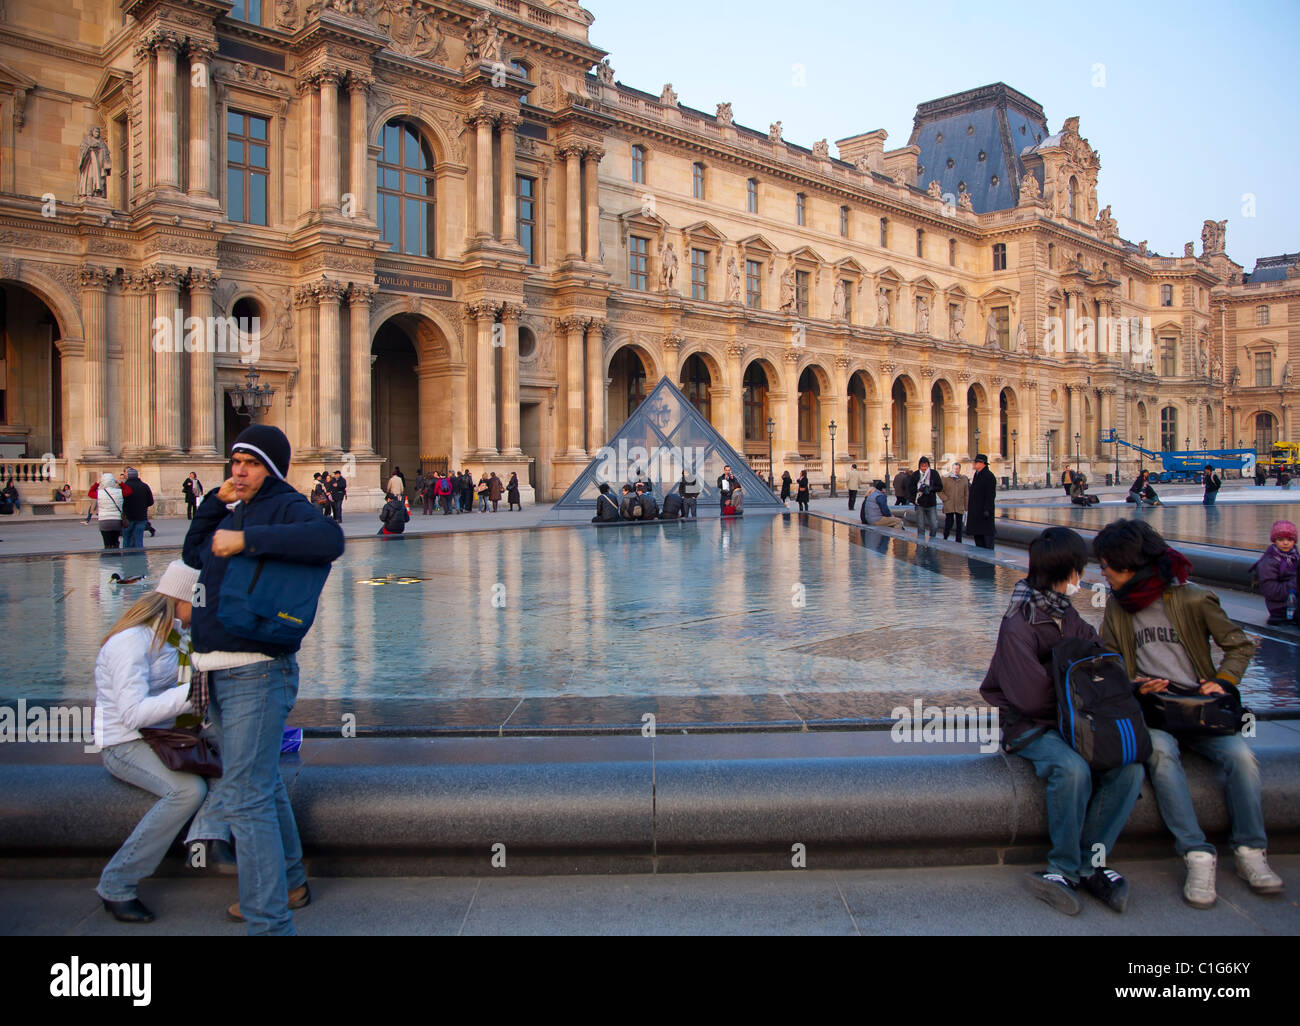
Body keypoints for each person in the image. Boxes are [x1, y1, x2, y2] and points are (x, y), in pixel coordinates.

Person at [182, 425, 345, 935]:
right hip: (219, 668)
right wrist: (214, 504)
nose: (238, 471)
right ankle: (290, 884)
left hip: (257, 669)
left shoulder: (285, 506)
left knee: (246, 795)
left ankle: (268, 922)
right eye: (234, 462)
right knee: (262, 784)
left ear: (271, 467)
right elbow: (193, 555)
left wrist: (247, 539)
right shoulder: (235, 510)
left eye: (249, 463)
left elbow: (330, 538)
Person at [1094, 519, 1280, 909]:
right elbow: (1111, 660)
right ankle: (1196, 853)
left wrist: (1224, 680)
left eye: (1108, 564)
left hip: (1201, 709)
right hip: (1156, 713)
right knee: (1160, 753)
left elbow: (1239, 646)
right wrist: (1135, 683)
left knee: (1242, 759)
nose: (1103, 572)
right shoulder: (1116, 606)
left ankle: (1251, 850)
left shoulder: (1193, 598)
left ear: (1131, 565)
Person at [981, 527, 1144, 915]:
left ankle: (1092, 861)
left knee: (1130, 769)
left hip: (1075, 720)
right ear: (1068, 571)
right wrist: (1085, 702)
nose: (1084, 577)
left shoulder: (1064, 612)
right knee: (1072, 769)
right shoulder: (1019, 622)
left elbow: (1098, 656)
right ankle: (1062, 867)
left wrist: (1129, 684)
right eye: (1081, 569)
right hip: (1031, 726)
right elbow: (1030, 698)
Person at [93, 560, 213, 923]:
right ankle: (117, 884)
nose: (203, 615)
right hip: (124, 743)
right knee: (188, 791)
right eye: (200, 604)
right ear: (181, 600)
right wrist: (194, 693)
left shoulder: (174, 635)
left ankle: (215, 843)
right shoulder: (130, 642)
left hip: (161, 736)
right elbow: (132, 714)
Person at [1254, 520, 1298, 627]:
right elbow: (1272, 592)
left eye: (1290, 539)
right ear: (1274, 540)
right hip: (1281, 610)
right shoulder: (1268, 563)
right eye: (1281, 539)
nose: (1286, 543)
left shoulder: (1295, 556)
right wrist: (1296, 583)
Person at [966, 453, 997, 550]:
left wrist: (987, 509)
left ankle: (988, 562)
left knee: (987, 540)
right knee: (978, 539)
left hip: (984, 513)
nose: (974, 464)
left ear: (982, 463)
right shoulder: (977, 474)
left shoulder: (989, 476)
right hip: (976, 513)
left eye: (976, 462)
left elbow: (990, 495)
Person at [910, 457, 943, 540]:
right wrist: (919, 489)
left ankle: (932, 540)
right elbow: (910, 488)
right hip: (919, 503)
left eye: (926, 466)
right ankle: (921, 544)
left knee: (934, 525)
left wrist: (931, 488)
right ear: (919, 466)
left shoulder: (934, 473)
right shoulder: (915, 475)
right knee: (921, 527)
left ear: (928, 465)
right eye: (922, 466)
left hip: (931, 503)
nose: (924, 468)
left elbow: (940, 487)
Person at [120, 468, 154, 549]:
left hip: (128, 516)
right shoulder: (145, 486)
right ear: (137, 475)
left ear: (127, 476)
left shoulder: (124, 487)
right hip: (141, 516)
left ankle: (127, 557)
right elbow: (151, 502)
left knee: (127, 539)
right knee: (138, 539)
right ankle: (139, 557)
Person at [91, 471, 127, 549]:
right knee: (115, 541)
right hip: (116, 520)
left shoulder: (99, 493)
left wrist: (97, 483)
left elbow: (90, 493)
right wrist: (120, 483)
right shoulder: (119, 492)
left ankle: (107, 554)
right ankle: (116, 555)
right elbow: (129, 491)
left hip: (104, 520)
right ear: (113, 481)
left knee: (107, 542)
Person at [942, 461, 969, 543]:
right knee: (949, 522)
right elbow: (940, 490)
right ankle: (945, 537)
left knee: (959, 524)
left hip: (959, 504)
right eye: (954, 469)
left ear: (960, 469)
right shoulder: (945, 478)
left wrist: (966, 507)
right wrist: (945, 499)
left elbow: (966, 493)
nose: (956, 470)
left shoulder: (964, 479)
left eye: (957, 469)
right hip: (949, 504)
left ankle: (958, 540)